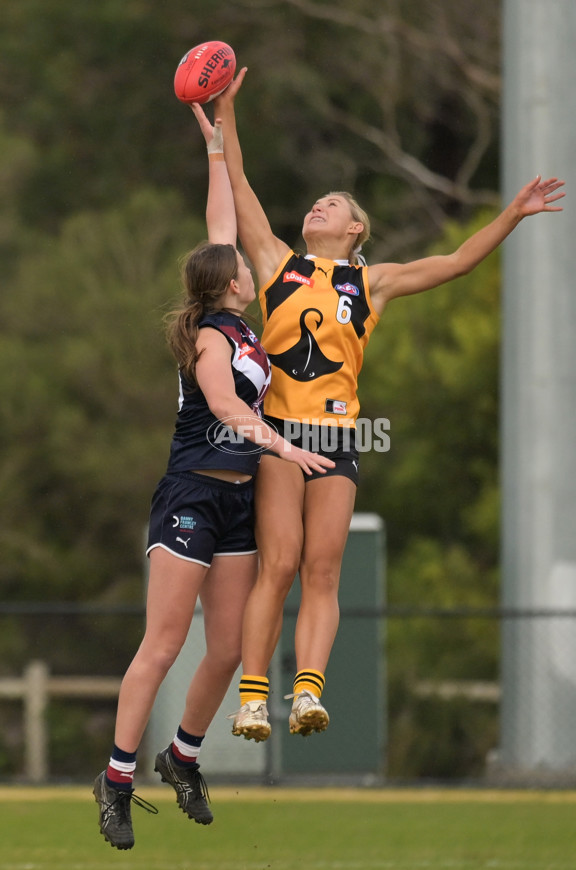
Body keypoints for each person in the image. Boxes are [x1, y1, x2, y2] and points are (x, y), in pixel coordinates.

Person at [213, 69, 566, 743]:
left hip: (339, 438)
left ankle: (308, 694)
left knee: (323, 569)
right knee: (279, 563)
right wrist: (225, 116)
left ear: (357, 227)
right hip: (280, 433)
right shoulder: (275, 265)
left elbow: (459, 261)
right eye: (313, 204)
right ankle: (254, 698)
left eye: (331, 205)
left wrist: (512, 215)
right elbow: (241, 188)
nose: (316, 208)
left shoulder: (371, 283)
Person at [92, 106, 334, 850]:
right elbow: (227, 405)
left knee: (226, 648)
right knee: (162, 646)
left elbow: (220, 217)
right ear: (226, 284)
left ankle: (183, 757)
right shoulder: (208, 336)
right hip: (193, 494)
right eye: (236, 268)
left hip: (235, 506)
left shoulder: (241, 321)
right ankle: (117, 780)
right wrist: (283, 447)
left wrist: (218, 146)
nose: (245, 268)